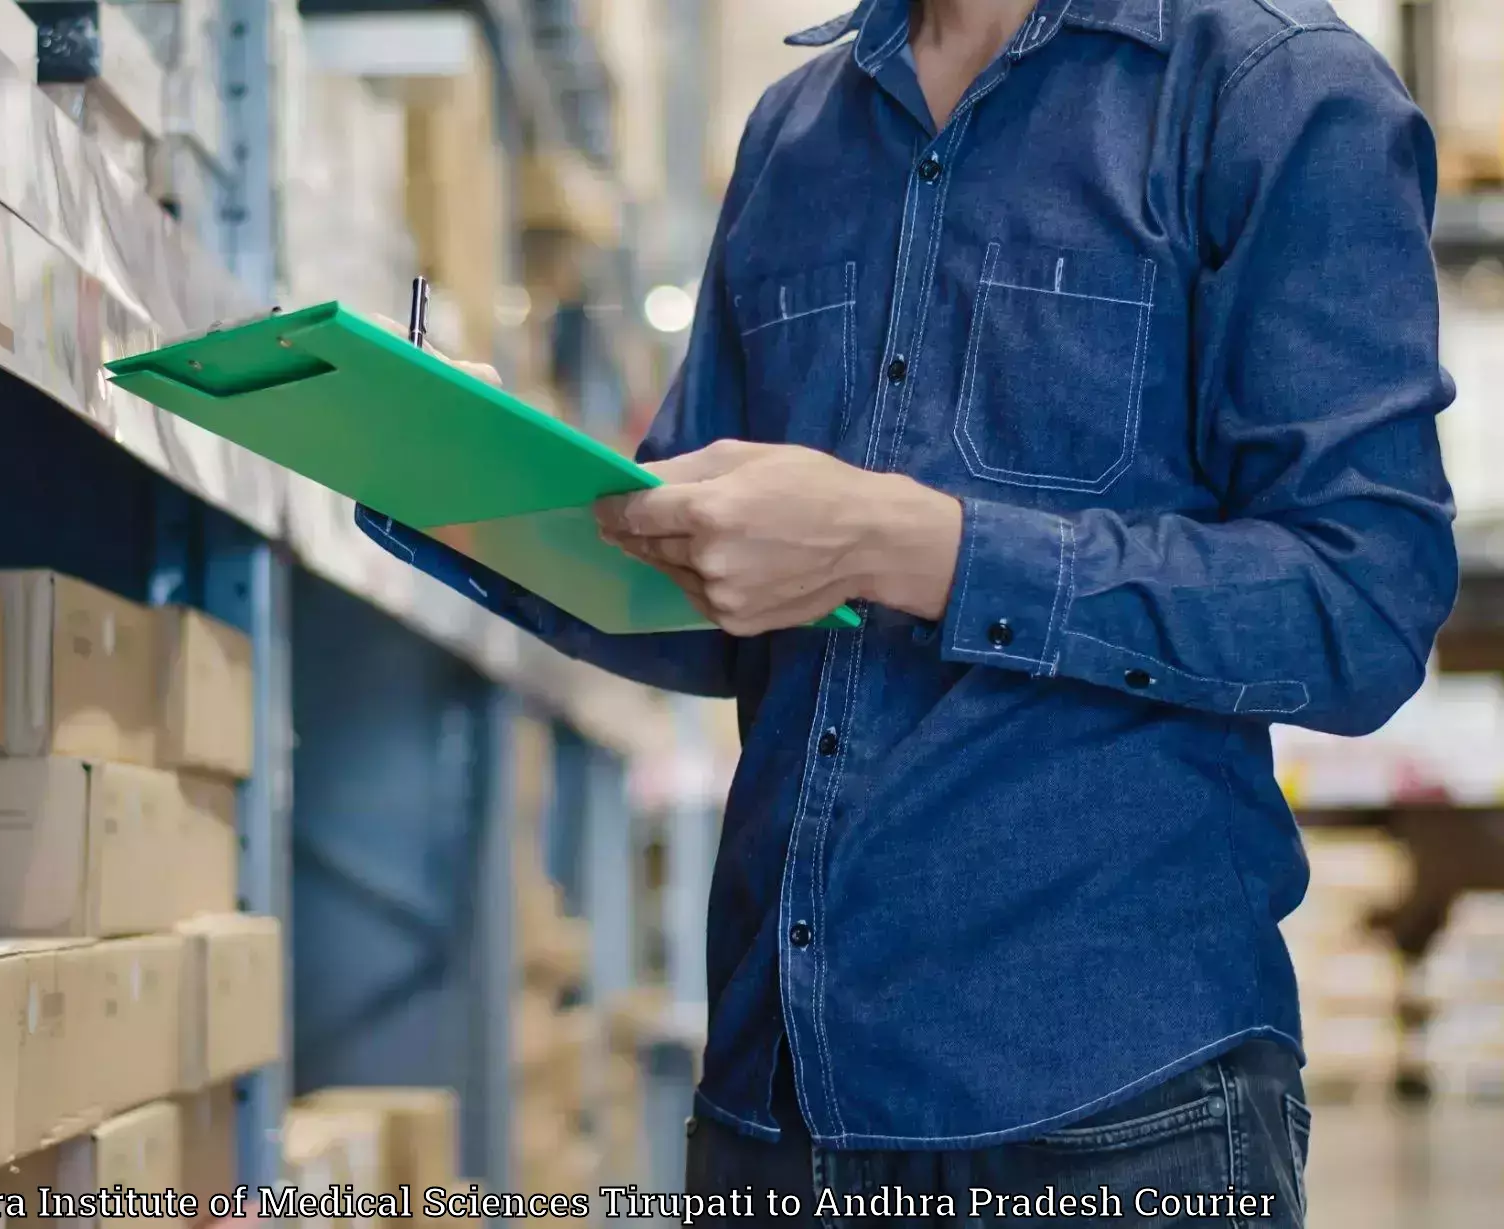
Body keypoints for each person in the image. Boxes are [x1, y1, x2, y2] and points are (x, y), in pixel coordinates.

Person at [360, 0, 1458, 1222]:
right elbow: (708, 589)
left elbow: (1357, 601)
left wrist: (910, 546)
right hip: (771, 1106)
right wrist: (471, 494)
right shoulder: (794, 134)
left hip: (1106, 1113)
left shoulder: (1269, 90)